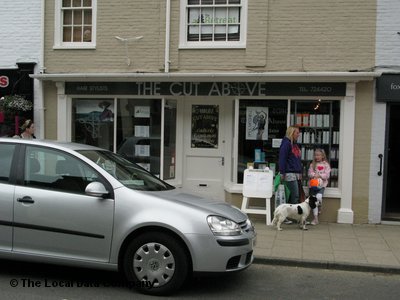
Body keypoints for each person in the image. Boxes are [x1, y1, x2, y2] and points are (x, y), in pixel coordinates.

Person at [278, 126, 303, 206]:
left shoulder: (294, 145)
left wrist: (300, 172)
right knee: (294, 196)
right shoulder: (286, 144)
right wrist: (282, 173)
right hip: (289, 174)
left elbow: (297, 161)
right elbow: (282, 159)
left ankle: (289, 215)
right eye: (297, 133)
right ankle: (292, 216)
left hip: (296, 174)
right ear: (292, 133)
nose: (298, 135)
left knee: (293, 196)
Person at [308, 148, 331, 225]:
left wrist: (320, 175)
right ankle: (315, 219)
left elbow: (327, 175)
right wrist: (314, 175)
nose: (316, 157)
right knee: (314, 202)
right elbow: (309, 173)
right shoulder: (312, 164)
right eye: (315, 155)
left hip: (321, 186)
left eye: (318, 155)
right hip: (313, 186)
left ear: (322, 156)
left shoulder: (326, 165)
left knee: (319, 197)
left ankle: (320, 205)